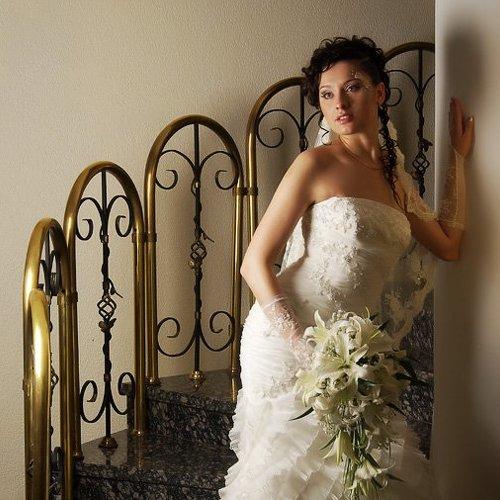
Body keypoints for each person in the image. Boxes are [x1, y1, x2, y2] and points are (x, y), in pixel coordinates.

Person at [218, 36, 474, 499]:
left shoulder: (396, 183)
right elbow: (254, 263)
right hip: (287, 341)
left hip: (350, 355)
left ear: (380, 92)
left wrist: (459, 159)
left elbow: (449, 245)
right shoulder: (314, 164)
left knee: (361, 480)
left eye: (352, 87)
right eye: (326, 94)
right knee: (289, 477)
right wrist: (305, 348)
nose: (339, 103)